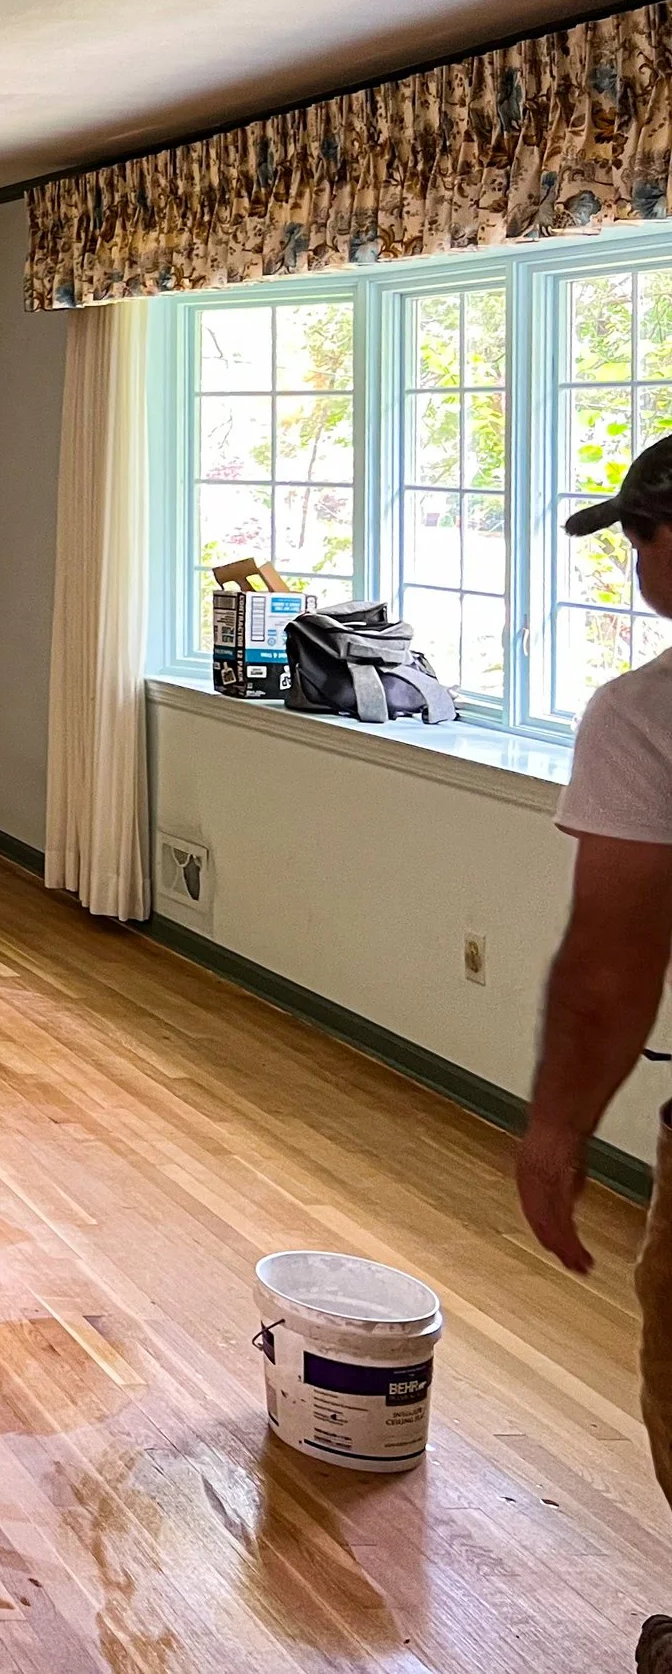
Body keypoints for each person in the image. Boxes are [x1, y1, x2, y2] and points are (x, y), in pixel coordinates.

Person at [517, 433, 672, 1673]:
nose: (631, 560)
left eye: (636, 535)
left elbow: (610, 968)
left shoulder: (646, 715)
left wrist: (557, 1128)